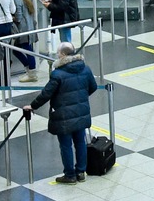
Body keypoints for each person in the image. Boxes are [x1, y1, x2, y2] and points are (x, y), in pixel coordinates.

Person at [22, 43, 98, 185]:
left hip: (63, 115)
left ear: (63, 55)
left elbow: (46, 94)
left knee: (65, 145)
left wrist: (32, 106)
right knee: (80, 141)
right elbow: (93, 87)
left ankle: (70, 175)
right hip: (81, 111)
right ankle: (81, 172)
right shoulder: (85, 69)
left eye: (58, 53)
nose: (57, 55)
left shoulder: (58, 74)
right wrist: (80, 97)